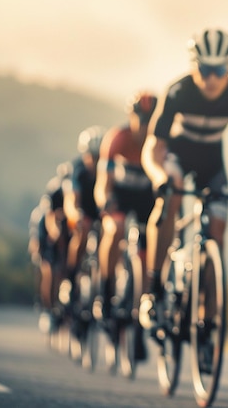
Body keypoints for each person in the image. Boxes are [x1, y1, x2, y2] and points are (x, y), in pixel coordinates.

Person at [139, 28, 228, 337]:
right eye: (205, 70)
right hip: (178, 156)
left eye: (220, 71)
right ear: (194, 66)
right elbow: (154, 148)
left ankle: (208, 319)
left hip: (212, 163)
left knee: (216, 233)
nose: (212, 79)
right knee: (172, 194)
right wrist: (159, 176)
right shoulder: (178, 92)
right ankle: (152, 289)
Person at [93, 91, 157, 358]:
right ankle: (106, 293)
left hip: (145, 199)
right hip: (119, 194)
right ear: (131, 116)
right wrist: (105, 203)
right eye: (140, 119)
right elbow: (102, 184)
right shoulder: (117, 138)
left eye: (149, 120)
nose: (143, 125)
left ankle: (140, 326)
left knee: (146, 255)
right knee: (115, 229)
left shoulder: (158, 142)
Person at [64, 125, 106, 308]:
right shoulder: (78, 169)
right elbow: (72, 199)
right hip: (84, 210)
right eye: (92, 156)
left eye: (99, 157)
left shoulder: (109, 167)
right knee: (83, 231)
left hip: (103, 210)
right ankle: (70, 280)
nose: (95, 161)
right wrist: (76, 215)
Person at [28, 163, 72, 333]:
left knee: (65, 268)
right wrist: (52, 236)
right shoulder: (54, 192)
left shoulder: (75, 190)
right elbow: (49, 220)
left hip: (66, 230)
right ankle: (47, 305)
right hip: (45, 231)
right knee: (49, 269)